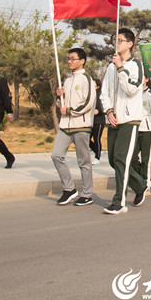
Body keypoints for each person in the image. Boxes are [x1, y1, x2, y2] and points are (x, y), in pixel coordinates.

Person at [99, 28, 147, 215]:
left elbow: (131, 89)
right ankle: (140, 184)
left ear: (130, 44)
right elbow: (105, 93)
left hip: (129, 120)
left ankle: (119, 201)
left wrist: (121, 68)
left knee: (121, 159)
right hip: (114, 120)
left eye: (120, 41)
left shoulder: (136, 65)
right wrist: (109, 110)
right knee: (113, 159)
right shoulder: (110, 67)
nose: (116, 44)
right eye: (115, 41)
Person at [51, 47, 96, 206]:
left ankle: (87, 194)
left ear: (82, 61)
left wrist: (70, 111)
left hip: (81, 126)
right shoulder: (67, 80)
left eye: (73, 58)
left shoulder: (87, 79)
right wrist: (59, 97)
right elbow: (61, 105)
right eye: (68, 59)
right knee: (56, 155)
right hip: (65, 126)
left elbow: (88, 103)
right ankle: (69, 189)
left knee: (83, 162)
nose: (69, 61)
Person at [132, 77, 151, 193]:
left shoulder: (150, 95)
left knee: (146, 159)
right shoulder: (132, 93)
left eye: (142, 77)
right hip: (134, 129)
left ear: (146, 79)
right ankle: (143, 177)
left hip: (148, 130)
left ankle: (147, 183)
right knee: (132, 157)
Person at [89, 79, 105, 165]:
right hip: (92, 121)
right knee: (87, 139)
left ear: (98, 86)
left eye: (93, 83)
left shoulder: (101, 94)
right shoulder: (91, 94)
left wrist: (99, 111)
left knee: (97, 139)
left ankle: (97, 158)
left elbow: (104, 106)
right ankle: (97, 150)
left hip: (99, 120)